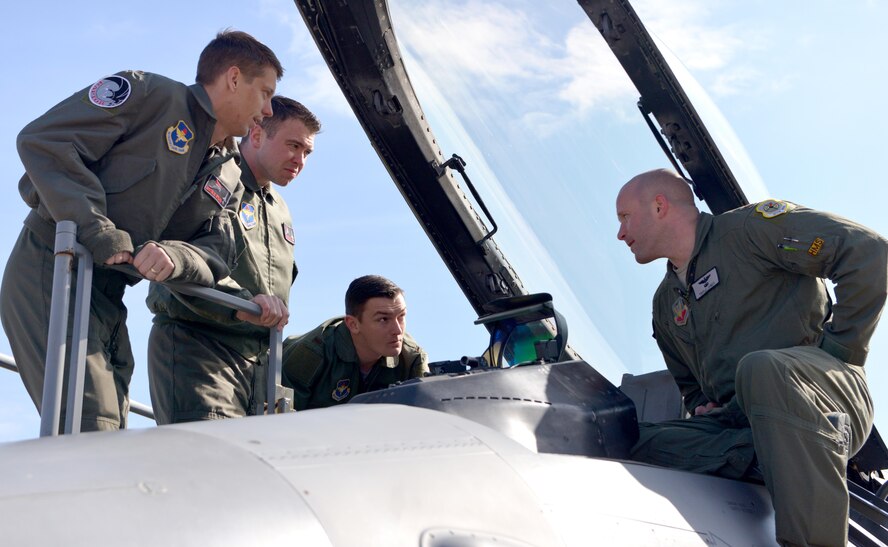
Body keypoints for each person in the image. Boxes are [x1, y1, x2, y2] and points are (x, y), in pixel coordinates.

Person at [0, 30, 284, 432]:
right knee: (89, 427)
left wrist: (176, 257)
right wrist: (99, 229)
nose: (269, 109)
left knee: (114, 432)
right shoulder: (149, 95)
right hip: (52, 269)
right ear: (234, 79)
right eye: (265, 93)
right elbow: (45, 141)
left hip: (110, 296)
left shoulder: (232, 172)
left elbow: (216, 249)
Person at [615, 168, 885, 546]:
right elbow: (691, 388)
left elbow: (868, 253)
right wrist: (704, 408)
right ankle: (773, 458)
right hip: (741, 424)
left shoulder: (750, 231)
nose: (621, 233)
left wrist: (840, 352)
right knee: (624, 439)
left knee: (762, 369)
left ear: (659, 206)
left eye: (625, 217)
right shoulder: (665, 306)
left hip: (823, 393)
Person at [146, 96, 320, 424]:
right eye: (293, 145)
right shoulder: (215, 175)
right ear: (256, 134)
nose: (299, 160)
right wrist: (242, 303)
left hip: (260, 365)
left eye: (306, 152)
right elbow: (180, 253)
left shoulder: (279, 208)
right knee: (211, 463)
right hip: (201, 349)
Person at [282, 275, 429, 410]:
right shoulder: (310, 355)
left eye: (401, 316)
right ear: (353, 324)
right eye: (383, 319)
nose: (397, 330)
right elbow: (281, 422)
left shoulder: (411, 359)